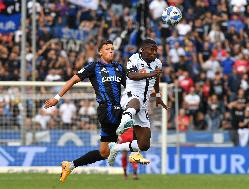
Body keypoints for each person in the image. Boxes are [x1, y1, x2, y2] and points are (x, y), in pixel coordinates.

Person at [44, 40, 126, 183]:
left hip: (116, 110)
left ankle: (70, 165)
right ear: (100, 52)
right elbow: (73, 80)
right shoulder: (94, 67)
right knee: (134, 128)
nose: (111, 51)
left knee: (104, 153)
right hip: (107, 110)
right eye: (107, 49)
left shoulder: (119, 68)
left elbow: (131, 87)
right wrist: (57, 98)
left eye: (112, 48)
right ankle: (132, 142)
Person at [107, 39, 168, 166]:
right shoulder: (134, 59)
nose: (154, 53)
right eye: (151, 50)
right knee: (136, 101)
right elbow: (131, 75)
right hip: (130, 97)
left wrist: (157, 95)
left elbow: (156, 79)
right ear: (143, 50)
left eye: (156, 50)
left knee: (144, 145)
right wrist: (151, 74)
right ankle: (124, 122)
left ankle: (115, 148)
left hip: (144, 104)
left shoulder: (157, 63)